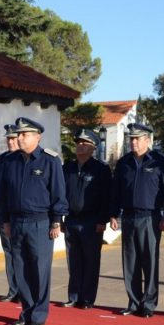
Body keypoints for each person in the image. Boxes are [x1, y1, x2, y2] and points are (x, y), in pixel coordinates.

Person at [0, 117, 68, 325]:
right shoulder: (10, 161)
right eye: (18, 134)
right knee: (21, 269)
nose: (19, 138)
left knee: (39, 270)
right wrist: (6, 221)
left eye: (24, 134)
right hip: (17, 222)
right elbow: (5, 194)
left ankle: (38, 315)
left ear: (37, 137)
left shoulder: (50, 160)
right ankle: (26, 312)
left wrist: (57, 221)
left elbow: (58, 193)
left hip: (41, 223)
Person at [110, 123, 164, 318]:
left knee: (149, 261)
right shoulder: (124, 163)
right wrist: (113, 214)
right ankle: (133, 302)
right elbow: (116, 192)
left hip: (151, 218)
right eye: (131, 138)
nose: (133, 142)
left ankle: (148, 304)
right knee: (130, 262)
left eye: (137, 138)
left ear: (148, 140)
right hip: (129, 217)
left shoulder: (159, 162)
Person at [61, 128, 112, 309]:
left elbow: (107, 197)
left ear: (93, 147)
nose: (80, 146)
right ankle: (74, 296)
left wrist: (102, 220)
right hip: (72, 220)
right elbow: (61, 195)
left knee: (90, 261)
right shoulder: (67, 168)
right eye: (78, 143)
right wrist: (60, 219)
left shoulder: (101, 169)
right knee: (73, 261)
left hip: (91, 221)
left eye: (84, 143)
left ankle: (87, 298)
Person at [0, 124, 20, 302]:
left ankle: (24, 291)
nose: (10, 141)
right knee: (9, 252)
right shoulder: (2, 160)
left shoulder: (25, 159)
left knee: (21, 253)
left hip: (20, 214)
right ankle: (13, 289)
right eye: (8, 138)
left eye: (13, 138)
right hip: (4, 214)